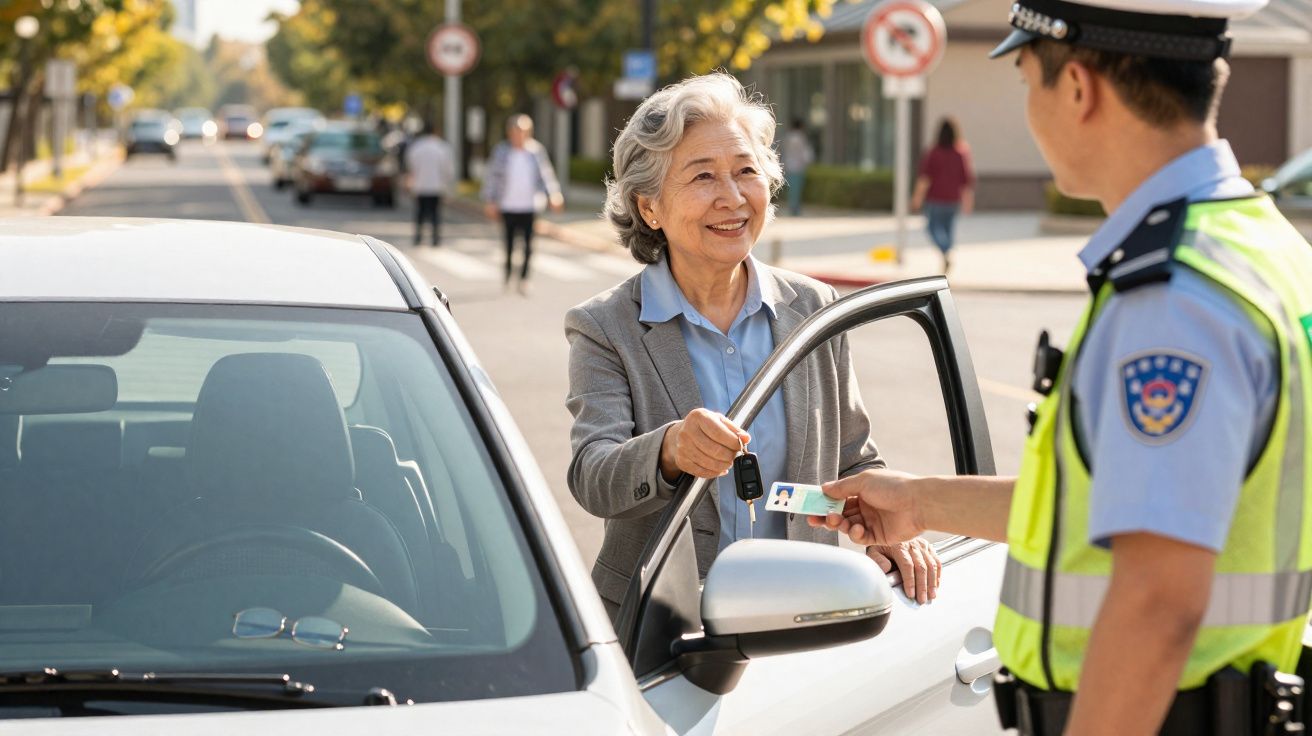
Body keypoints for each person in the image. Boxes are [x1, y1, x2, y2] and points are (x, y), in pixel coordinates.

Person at [816, 1, 1312, 734]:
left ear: (1078, 88)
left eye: (1026, 80)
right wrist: (920, 502)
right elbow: (1125, 503)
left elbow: (1156, 601)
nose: (1029, 109)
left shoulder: (1172, 294)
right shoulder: (1258, 242)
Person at [564, 73, 940, 622]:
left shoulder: (813, 306)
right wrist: (669, 450)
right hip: (662, 629)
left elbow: (854, 456)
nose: (734, 197)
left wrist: (888, 527)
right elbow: (593, 476)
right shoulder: (606, 326)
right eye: (702, 177)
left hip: (802, 614)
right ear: (650, 208)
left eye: (747, 171)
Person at [480, 114, 564, 295]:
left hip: (529, 206)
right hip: (508, 206)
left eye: (524, 131)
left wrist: (554, 194)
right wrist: (490, 201)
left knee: (528, 245)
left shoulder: (536, 151)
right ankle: (508, 275)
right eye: (517, 131)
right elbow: (492, 177)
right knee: (509, 244)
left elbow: (546, 175)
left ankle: (524, 279)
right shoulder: (501, 151)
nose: (520, 135)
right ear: (510, 132)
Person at [910, 117, 974, 273]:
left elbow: (925, 178)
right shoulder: (961, 152)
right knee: (948, 229)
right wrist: (968, 201)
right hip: (953, 199)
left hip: (935, 199)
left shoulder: (933, 152)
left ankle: (945, 251)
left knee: (932, 228)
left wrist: (917, 198)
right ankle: (947, 252)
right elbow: (966, 179)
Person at [404, 122, 455, 247]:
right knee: (435, 213)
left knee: (420, 212)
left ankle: (418, 237)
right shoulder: (442, 147)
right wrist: (448, 184)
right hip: (437, 186)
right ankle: (435, 238)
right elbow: (448, 168)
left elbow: (410, 165)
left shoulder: (416, 147)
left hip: (420, 185)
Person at [781, 117, 814, 216]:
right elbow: (805, 153)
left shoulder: (788, 137)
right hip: (798, 166)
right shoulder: (801, 137)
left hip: (788, 165)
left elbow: (784, 152)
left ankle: (792, 207)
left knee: (791, 189)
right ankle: (795, 208)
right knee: (797, 189)